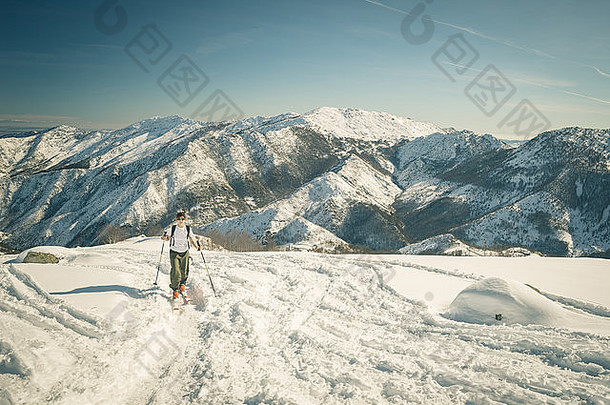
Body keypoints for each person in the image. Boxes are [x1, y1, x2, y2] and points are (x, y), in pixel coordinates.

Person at [161, 211, 200, 300]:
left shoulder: (188, 229)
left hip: (185, 252)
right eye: (178, 219)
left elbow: (192, 238)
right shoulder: (173, 228)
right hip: (174, 252)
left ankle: (182, 284)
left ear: (185, 219)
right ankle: (175, 288)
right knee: (176, 270)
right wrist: (164, 238)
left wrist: (196, 247)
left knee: (184, 269)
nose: (180, 221)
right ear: (176, 220)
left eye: (182, 219)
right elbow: (168, 237)